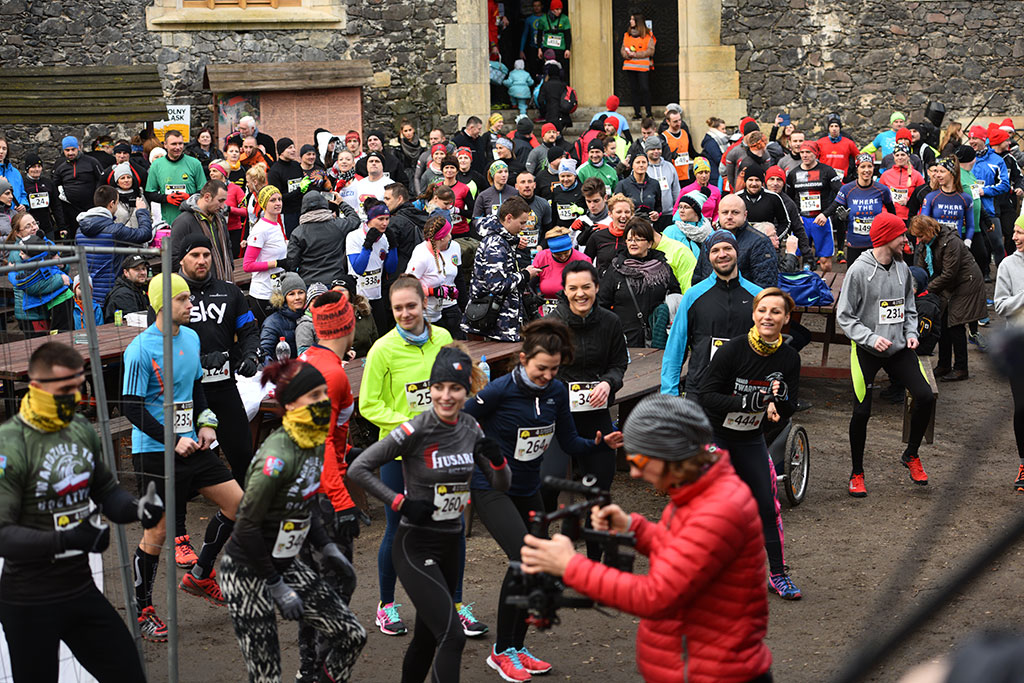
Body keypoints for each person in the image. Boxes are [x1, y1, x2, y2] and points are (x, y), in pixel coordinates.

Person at [518, 394, 773, 683]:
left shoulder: (717, 509)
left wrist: (570, 566)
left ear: (670, 456)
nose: (635, 472)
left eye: (640, 461)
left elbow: (656, 596)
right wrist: (632, 528)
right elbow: (684, 553)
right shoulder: (701, 490)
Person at [465, 318, 622, 682]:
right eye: (541, 369)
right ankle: (501, 651)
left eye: (554, 369)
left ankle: (516, 647)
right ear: (523, 359)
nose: (548, 376)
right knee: (523, 559)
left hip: (527, 487)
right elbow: (457, 421)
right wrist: (479, 456)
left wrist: (599, 443)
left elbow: (569, 442)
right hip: (492, 487)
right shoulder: (499, 391)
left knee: (536, 561)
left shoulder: (557, 391)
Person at [0, 342, 163, 682]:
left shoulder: (80, 429)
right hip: (29, 599)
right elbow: (4, 536)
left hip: (79, 588)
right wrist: (68, 539)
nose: (74, 398)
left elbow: (106, 492)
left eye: (77, 387)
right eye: (64, 390)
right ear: (36, 387)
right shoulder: (10, 443)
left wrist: (138, 509)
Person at [350, 346, 510, 683]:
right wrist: (400, 502)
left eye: (455, 388)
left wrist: (497, 461)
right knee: (452, 635)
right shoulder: (416, 429)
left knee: (426, 637)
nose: (446, 396)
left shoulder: (471, 427)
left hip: (451, 545)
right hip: (415, 545)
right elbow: (359, 468)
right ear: (430, 388)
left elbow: (501, 484)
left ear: (467, 391)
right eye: (439, 387)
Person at [219, 357, 366, 683]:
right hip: (248, 570)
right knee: (266, 675)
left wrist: (328, 547)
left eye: (324, 394)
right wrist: (276, 585)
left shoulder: (313, 441)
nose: (323, 401)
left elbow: (306, 502)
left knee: (351, 635)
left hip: (285, 563)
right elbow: (246, 528)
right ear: (290, 405)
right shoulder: (276, 458)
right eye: (313, 396)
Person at [360, 276, 487, 639]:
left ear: (424, 304)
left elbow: (460, 385)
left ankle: (456, 604)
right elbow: (369, 404)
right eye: (397, 308)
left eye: (411, 306)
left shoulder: (444, 338)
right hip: (401, 455)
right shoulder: (382, 349)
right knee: (398, 530)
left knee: (452, 526)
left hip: (444, 452)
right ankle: (386, 605)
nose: (405, 313)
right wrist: (410, 427)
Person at [123, 274, 244, 638]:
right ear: (162, 305)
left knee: (238, 503)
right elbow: (131, 406)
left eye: (190, 298)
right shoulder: (140, 350)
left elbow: (195, 387)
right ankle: (142, 609)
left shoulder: (191, 337)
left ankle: (201, 575)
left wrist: (206, 423)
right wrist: (172, 439)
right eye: (182, 299)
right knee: (157, 531)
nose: (191, 305)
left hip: (193, 444)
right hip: (154, 451)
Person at [697, 287, 803, 599]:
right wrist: (747, 402)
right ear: (754, 314)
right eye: (762, 310)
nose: (768, 317)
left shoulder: (789, 358)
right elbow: (706, 395)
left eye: (775, 312)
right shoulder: (733, 350)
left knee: (768, 507)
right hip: (717, 437)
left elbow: (788, 409)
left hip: (750, 440)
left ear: (786, 318)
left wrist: (781, 400)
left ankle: (778, 575)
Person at [836, 213, 934, 497]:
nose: (906, 239)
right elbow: (845, 316)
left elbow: (910, 308)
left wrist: (911, 332)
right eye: (901, 235)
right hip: (867, 350)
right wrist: (870, 337)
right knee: (862, 411)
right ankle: (857, 473)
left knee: (926, 396)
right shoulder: (858, 270)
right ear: (886, 238)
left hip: (898, 348)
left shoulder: (903, 267)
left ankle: (911, 454)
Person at [295, 293, 362, 680]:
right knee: (337, 587)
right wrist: (343, 503)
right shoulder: (332, 375)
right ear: (348, 325)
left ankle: (308, 670)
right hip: (320, 494)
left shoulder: (309, 360)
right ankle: (322, 673)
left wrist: (348, 452)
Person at [542, 260, 628, 557]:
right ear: (564, 291)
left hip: (595, 414)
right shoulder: (552, 325)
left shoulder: (609, 322)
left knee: (599, 489)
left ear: (596, 288)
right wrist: (559, 390)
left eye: (586, 287)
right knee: (547, 484)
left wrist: (608, 382)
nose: (580, 294)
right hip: (557, 417)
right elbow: (538, 371)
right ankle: (541, 553)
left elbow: (618, 363)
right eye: (573, 288)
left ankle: (593, 560)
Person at [661, 229, 763, 396]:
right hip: (701, 388)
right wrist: (669, 392)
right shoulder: (693, 296)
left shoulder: (758, 296)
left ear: (737, 252)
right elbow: (676, 346)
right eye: (715, 250)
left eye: (728, 248)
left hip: (744, 391)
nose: (722, 254)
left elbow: (770, 344)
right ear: (708, 257)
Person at [909, 215, 985, 383]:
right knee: (942, 322)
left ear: (929, 230)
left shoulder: (951, 242)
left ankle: (961, 368)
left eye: (920, 236)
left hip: (966, 282)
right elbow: (920, 269)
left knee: (955, 324)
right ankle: (943, 365)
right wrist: (917, 285)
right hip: (947, 285)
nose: (918, 240)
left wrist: (926, 289)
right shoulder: (925, 244)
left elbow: (949, 273)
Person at [462, 197, 542, 342]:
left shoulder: (504, 240)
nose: (524, 227)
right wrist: (525, 275)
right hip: (495, 326)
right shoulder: (496, 245)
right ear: (509, 218)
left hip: (502, 323)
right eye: (522, 223)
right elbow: (497, 285)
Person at [598, 217, 680, 347]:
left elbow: (675, 296)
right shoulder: (616, 269)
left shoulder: (662, 268)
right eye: (629, 239)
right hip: (625, 340)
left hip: (657, 339)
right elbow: (602, 304)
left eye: (638, 239)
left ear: (649, 243)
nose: (633, 243)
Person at [994, 217, 1024, 490]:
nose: (1014, 237)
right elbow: (1000, 306)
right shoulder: (1008, 265)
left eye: (1020, 232)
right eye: (1015, 231)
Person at [691, 194, 777, 289]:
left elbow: (765, 285)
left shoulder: (760, 242)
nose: (729, 217)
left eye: (735, 212)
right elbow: (699, 277)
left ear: (745, 215)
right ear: (719, 214)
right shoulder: (709, 240)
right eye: (725, 212)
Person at [823, 153, 896, 265]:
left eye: (869, 166)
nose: (866, 170)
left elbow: (892, 212)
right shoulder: (847, 189)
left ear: (873, 168)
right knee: (854, 273)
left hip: (876, 243)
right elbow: (835, 205)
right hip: (854, 242)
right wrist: (825, 215)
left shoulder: (882, 189)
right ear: (857, 169)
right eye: (863, 167)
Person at [288, 189, 361, 290]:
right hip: (335, 283)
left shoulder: (298, 232)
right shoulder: (338, 225)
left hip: (309, 284)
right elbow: (355, 219)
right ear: (325, 204)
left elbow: (292, 262)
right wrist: (341, 203)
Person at [406, 215, 464, 338]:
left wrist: (448, 290)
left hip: (437, 314)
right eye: (448, 234)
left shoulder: (438, 252)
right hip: (423, 317)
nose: (451, 237)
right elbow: (406, 285)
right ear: (441, 238)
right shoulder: (422, 255)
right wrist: (432, 291)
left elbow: (436, 278)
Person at [347, 199, 398, 333]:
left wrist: (393, 246)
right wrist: (367, 245)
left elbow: (391, 269)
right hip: (359, 297)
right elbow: (359, 268)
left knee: (381, 333)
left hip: (377, 296)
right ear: (370, 218)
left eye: (387, 218)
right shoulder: (353, 236)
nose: (385, 223)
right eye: (380, 219)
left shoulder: (384, 238)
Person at [8, 232, 75, 332]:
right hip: (61, 297)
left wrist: (12, 271)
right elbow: (49, 245)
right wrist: (42, 238)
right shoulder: (44, 255)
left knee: (60, 331)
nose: (19, 254)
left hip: (60, 300)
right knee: (63, 329)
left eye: (22, 252)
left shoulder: (34, 268)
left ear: (32, 255)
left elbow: (20, 282)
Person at [170, 179, 233, 281]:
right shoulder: (183, 222)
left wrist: (231, 266)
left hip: (222, 281)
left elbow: (228, 246)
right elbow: (174, 257)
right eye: (220, 201)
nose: (222, 206)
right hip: (198, 283)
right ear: (207, 197)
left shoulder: (219, 219)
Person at [244, 185, 289, 324]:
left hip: (277, 291)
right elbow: (248, 265)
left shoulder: (277, 225)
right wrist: (277, 263)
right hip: (262, 294)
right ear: (264, 204)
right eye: (272, 200)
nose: (278, 203)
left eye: (279, 199)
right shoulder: (261, 229)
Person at [144, 129, 205, 225]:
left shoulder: (195, 163)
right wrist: (167, 198)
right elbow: (149, 193)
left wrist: (189, 197)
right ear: (165, 145)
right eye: (174, 144)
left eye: (180, 144)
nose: (178, 147)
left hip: (193, 220)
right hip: (168, 221)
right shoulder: (156, 165)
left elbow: (204, 192)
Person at [52, 136, 104, 232]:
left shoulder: (92, 162)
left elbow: (102, 180)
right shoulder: (60, 168)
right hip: (71, 210)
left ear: (79, 148)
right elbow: (54, 186)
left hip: (91, 207)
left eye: (73, 149)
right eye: (67, 150)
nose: (70, 153)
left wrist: (98, 199)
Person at [532, 226, 590, 313]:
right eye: (558, 254)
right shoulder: (542, 257)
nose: (563, 257)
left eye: (566, 253)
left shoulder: (583, 260)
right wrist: (534, 297)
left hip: (574, 311)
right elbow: (531, 283)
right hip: (546, 312)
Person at [921, 156, 974, 244]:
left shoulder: (965, 198)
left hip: (956, 244)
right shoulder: (931, 197)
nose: (938, 175)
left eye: (942, 171)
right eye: (937, 171)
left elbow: (970, 225)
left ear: (952, 173)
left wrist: (967, 242)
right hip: (936, 244)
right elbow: (923, 222)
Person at [260, 271, 307, 361]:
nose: (297, 297)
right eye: (291, 294)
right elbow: (265, 353)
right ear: (284, 298)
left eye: (301, 292)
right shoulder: (272, 323)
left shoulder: (310, 315)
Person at [585, 192, 632, 276]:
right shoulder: (597, 236)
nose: (623, 216)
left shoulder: (637, 237)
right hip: (603, 281)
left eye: (627, 212)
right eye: (619, 212)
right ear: (610, 214)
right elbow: (585, 263)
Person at [22, 152, 66, 241]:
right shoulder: (22, 184)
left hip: (47, 227)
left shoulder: (48, 183)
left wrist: (62, 226)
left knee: (50, 248)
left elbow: (56, 206)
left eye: (39, 166)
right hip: (29, 228)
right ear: (27, 169)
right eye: (33, 167)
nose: (37, 169)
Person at [207, 160, 247, 257]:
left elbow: (246, 211)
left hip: (233, 231)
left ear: (224, 173)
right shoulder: (208, 188)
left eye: (215, 171)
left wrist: (230, 209)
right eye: (210, 171)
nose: (211, 173)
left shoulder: (235, 189)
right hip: (214, 230)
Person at [880, 143, 926, 224]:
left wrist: (909, 201)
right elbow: (880, 197)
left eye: (903, 155)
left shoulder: (917, 175)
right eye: (897, 155)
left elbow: (923, 198)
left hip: (910, 218)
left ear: (908, 156)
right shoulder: (885, 175)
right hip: (890, 217)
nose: (900, 157)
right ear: (893, 157)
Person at [620, 12, 655, 120]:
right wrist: (627, 54)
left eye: (632, 19)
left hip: (642, 67)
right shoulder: (627, 35)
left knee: (645, 89)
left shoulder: (648, 36)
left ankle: (649, 113)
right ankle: (637, 113)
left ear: (638, 22)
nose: (630, 21)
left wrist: (636, 54)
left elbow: (650, 51)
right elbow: (623, 49)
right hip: (630, 66)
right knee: (634, 89)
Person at [614, 151, 661, 224]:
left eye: (644, 162)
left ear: (648, 164)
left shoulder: (655, 184)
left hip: (649, 225)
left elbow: (659, 206)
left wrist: (656, 214)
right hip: (628, 225)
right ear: (632, 165)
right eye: (638, 162)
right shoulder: (622, 185)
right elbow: (616, 208)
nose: (641, 165)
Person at [103, 253, 149, 323]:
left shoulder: (138, 289)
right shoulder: (123, 294)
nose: (142, 272)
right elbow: (134, 323)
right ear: (126, 272)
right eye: (137, 269)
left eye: (144, 268)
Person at [667, 190, 713, 258]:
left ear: (696, 211)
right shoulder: (670, 232)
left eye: (686, 207)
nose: (681, 210)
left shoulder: (709, 231)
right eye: (680, 207)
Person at [534, 0, 571, 81]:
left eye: (560, 9)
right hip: (548, 48)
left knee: (562, 70)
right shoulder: (543, 19)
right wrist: (539, 48)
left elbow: (568, 35)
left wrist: (568, 49)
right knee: (547, 69)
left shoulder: (564, 19)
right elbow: (539, 35)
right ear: (552, 9)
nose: (559, 11)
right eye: (557, 9)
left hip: (561, 49)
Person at [676, 156, 721, 222]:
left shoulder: (716, 191)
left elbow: (717, 211)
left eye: (706, 172)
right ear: (695, 174)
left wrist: (715, 221)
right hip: (690, 225)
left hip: (710, 225)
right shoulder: (686, 190)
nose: (704, 176)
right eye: (700, 172)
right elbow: (676, 211)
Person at [816, 113, 859, 181]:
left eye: (836, 126)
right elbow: (814, 159)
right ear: (828, 128)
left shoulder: (849, 143)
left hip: (843, 179)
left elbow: (858, 157)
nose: (834, 129)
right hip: (824, 178)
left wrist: (853, 173)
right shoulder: (820, 142)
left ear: (839, 128)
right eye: (831, 126)